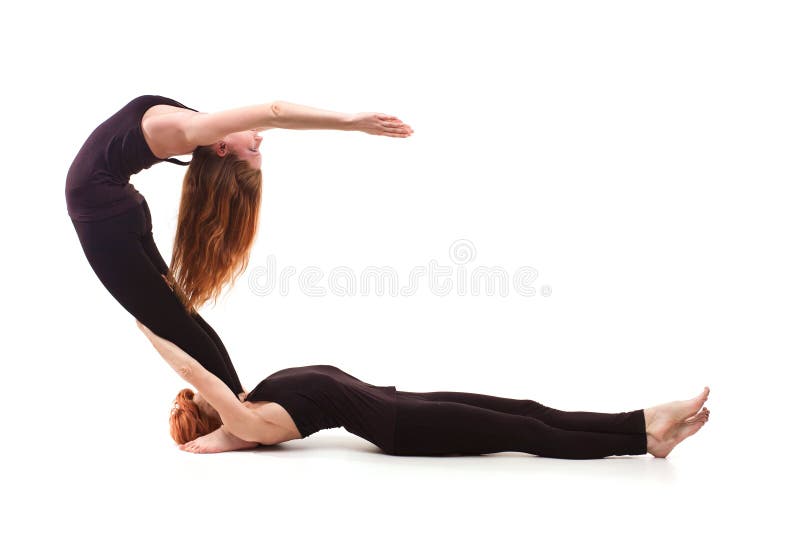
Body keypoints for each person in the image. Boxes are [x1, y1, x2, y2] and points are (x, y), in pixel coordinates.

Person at [66, 95, 414, 396]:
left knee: (173, 320)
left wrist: (352, 122)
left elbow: (273, 111)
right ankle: (239, 396)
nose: (260, 137)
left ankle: (238, 407)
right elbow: (270, 119)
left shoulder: (195, 132)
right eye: (257, 146)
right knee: (178, 315)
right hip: (120, 207)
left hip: (103, 216)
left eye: (253, 148)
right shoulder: (202, 130)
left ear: (221, 147)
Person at [137, 321, 710, 459]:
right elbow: (192, 372)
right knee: (525, 432)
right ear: (219, 422)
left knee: (528, 408)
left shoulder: (251, 397)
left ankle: (642, 419)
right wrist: (145, 324)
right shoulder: (251, 425)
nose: (202, 391)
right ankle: (645, 439)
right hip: (403, 429)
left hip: (401, 403)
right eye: (201, 403)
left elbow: (201, 356)